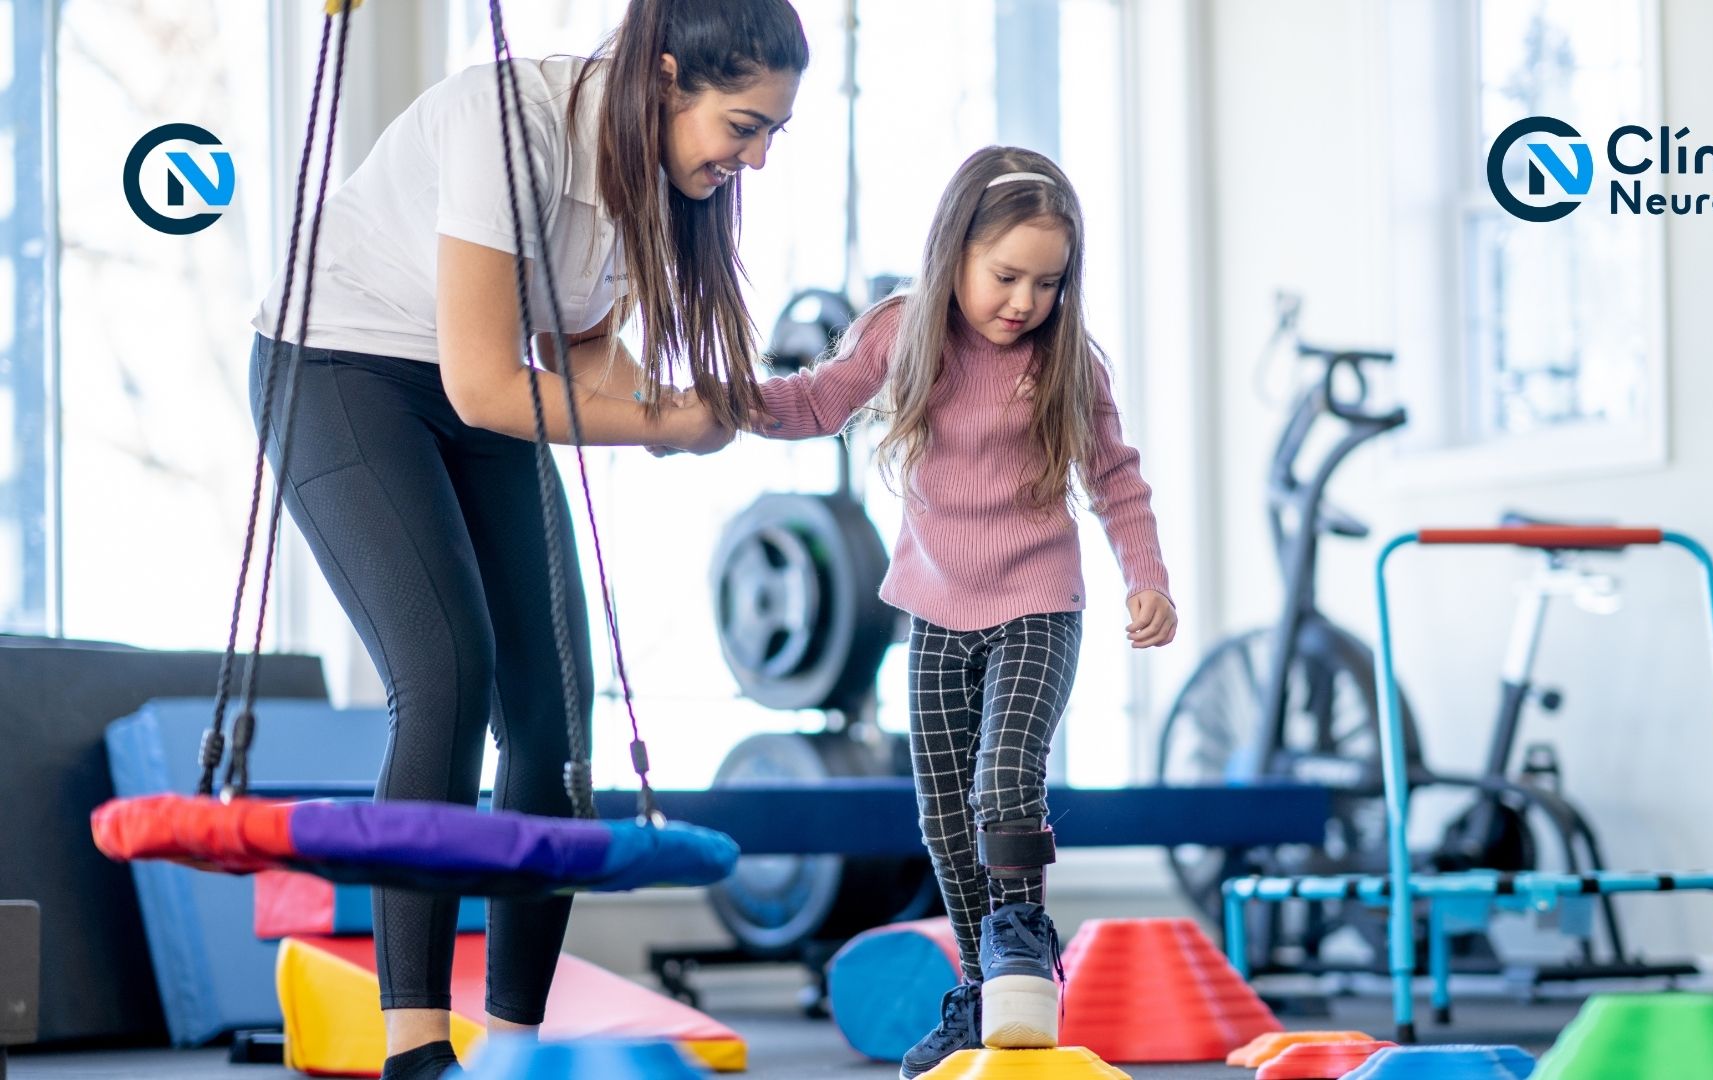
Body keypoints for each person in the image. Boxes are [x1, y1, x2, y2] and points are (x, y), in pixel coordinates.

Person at [246, 3, 806, 1078]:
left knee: (553, 714)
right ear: (665, 77)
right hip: (340, 367)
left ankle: (516, 1048)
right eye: (744, 127)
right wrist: (663, 422)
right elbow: (486, 384)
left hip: (481, 385)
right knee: (447, 671)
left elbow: (576, 344)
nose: (757, 159)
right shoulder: (511, 125)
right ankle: (416, 1049)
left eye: (773, 133)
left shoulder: (653, 175)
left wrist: (679, 412)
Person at [706, 145, 1177, 1078]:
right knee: (942, 815)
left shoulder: (1067, 362)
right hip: (933, 609)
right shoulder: (901, 332)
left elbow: (1116, 479)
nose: (1025, 301)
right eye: (1006, 276)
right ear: (955, 251)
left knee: (1005, 775)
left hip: (1038, 604)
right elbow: (816, 403)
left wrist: (1147, 577)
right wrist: (722, 402)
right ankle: (978, 992)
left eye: (1048, 283)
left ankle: (1022, 942)